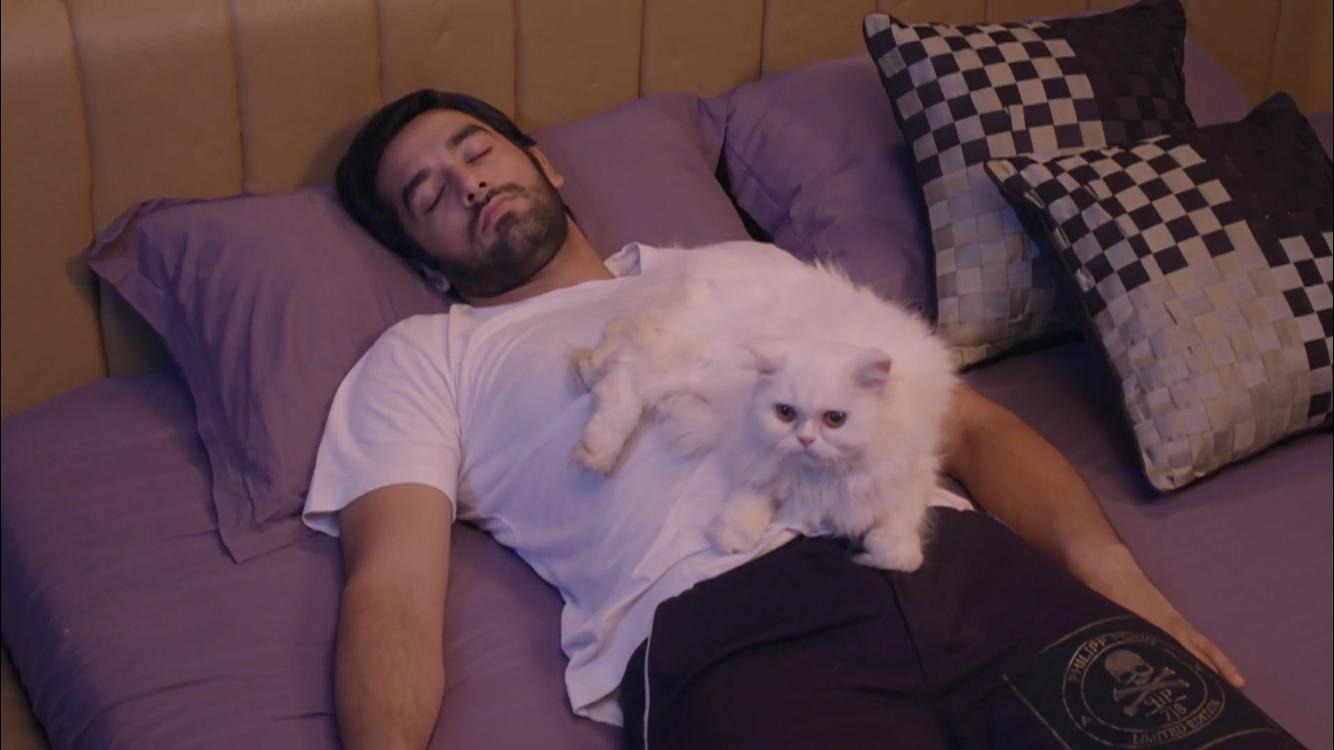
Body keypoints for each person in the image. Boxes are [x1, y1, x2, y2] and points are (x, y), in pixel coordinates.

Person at [303, 90, 1282, 750]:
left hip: (954, 563)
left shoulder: (747, 266)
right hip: (731, 636)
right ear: (426, 262)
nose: (468, 182)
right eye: (428, 194)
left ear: (545, 165)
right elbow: (391, 591)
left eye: (476, 151)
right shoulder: (425, 359)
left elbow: (969, 429)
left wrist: (1124, 587)